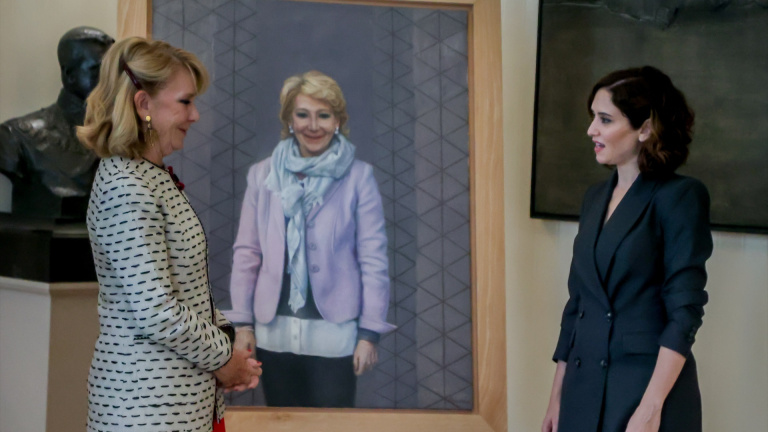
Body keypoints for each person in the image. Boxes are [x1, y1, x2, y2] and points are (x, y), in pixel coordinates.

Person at [77, 37, 261, 432]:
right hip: (145, 412)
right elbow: (157, 311)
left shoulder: (150, 176)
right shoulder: (126, 185)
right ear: (144, 104)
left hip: (177, 407)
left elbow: (186, 293)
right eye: (185, 102)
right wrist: (224, 359)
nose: (195, 115)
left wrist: (228, 343)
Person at [541, 66, 713, 432]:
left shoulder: (680, 196)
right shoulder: (594, 198)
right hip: (582, 391)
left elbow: (684, 313)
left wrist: (651, 408)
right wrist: (557, 397)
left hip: (644, 391)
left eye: (605, 119)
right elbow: (577, 307)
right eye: (593, 117)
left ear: (645, 128)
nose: (591, 130)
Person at [226, 70, 396, 408]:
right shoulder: (262, 175)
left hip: (336, 337)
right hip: (272, 336)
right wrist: (243, 324)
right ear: (290, 120)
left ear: (338, 121)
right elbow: (247, 253)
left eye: (324, 115)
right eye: (303, 115)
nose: (313, 125)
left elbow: (373, 259)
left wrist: (369, 334)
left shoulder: (359, 177)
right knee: (282, 427)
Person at [0, 26, 113, 219]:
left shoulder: (126, 136)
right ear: (69, 74)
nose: (111, 80)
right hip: (42, 237)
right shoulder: (16, 136)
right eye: (98, 70)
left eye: (114, 71)